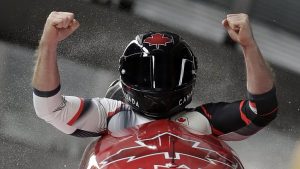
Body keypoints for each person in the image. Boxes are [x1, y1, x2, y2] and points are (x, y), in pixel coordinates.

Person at [32, 12, 278, 140]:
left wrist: (248, 45)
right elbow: (49, 108)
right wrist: (48, 43)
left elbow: (262, 108)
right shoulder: (112, 114)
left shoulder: (202, 120)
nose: (158, 86)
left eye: (167, 75)